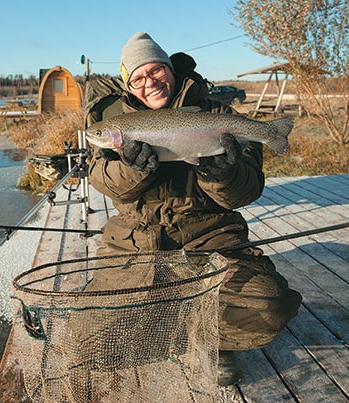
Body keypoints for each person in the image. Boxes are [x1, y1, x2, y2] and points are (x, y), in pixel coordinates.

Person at [84, 32, 302, 386]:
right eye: (137, 78)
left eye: (156, 70)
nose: (149, 82)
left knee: (269, 307)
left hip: (211, 241)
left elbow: (247, 191)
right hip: (134, 245)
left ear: (169, 69)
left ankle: (208, 335)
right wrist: (130, 167)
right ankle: (185, 318)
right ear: (128, 84)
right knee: (89, 344)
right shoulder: (116, 123)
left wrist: (222, 174)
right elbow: (101, 179)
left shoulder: (219, 114)